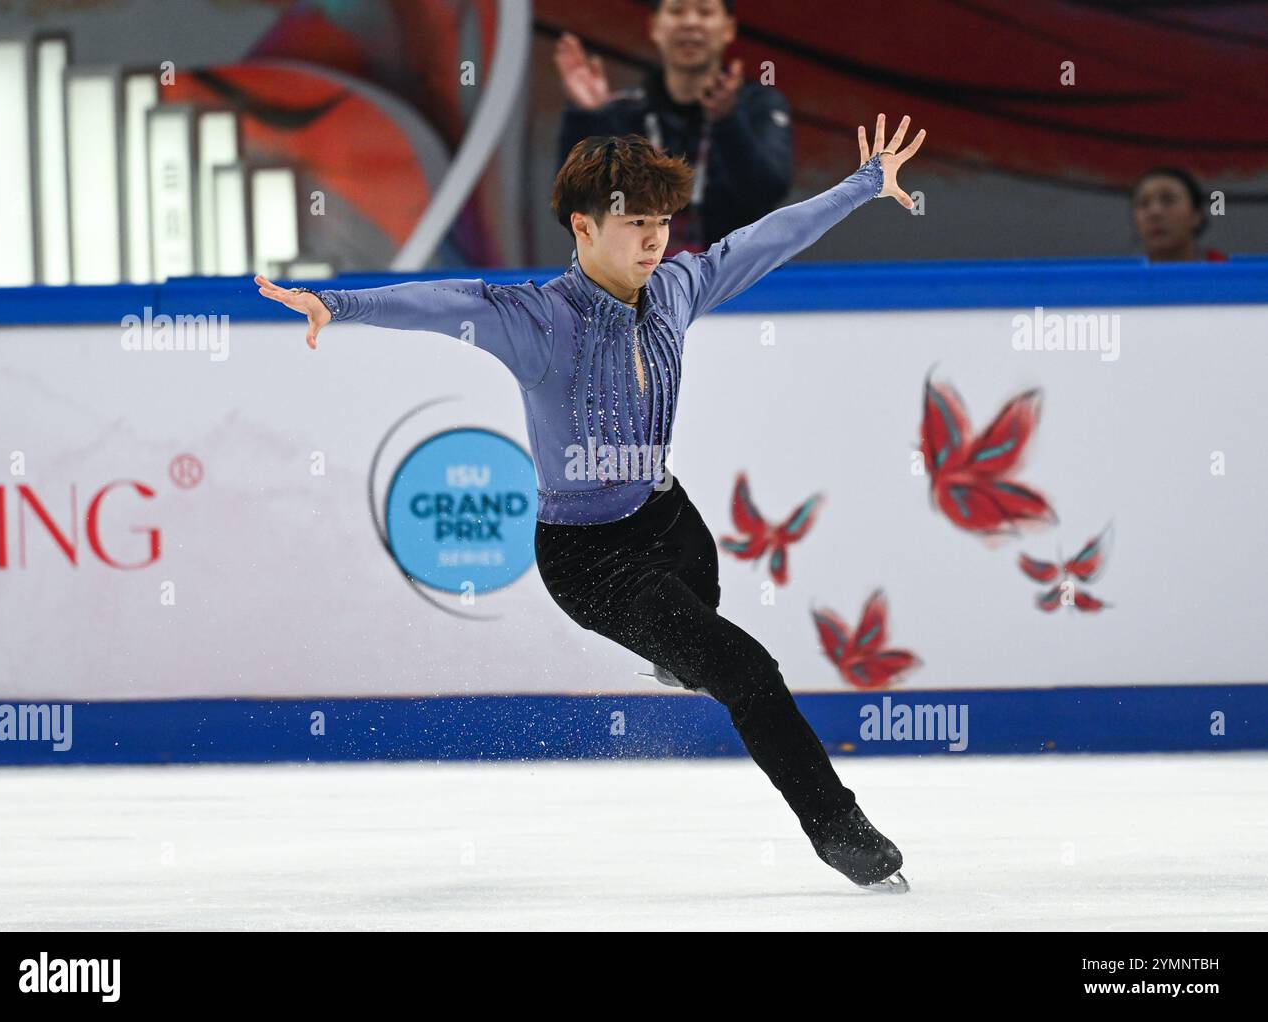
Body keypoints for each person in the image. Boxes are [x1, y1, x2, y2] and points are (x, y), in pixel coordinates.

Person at [254, 112, 926, 892]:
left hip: (670, 521)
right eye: (635, 223)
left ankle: (680, 656)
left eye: (664, 223)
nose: (655, 240)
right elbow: (445, 303)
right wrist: (341, 308)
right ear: (583, 225)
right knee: (746, 668)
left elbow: (763, 240)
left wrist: (864, 183)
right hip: (586, 556)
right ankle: (844, 836)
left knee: (699, 617)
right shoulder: (540, 323)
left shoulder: (676, 289)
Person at [554, 0, 791, 257]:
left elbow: (769, 190)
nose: (690, 23)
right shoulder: (622, 111)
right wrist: (589, 118)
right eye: (677, 11)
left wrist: (728, 122)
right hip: (639, 284)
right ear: (654, 26)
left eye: (705, 12)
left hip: (741, 282)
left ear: (728, 28)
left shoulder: (758, 105)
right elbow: (575, 207)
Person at [1131, 167, 1227, 263]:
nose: (1155, 212)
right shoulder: (1125, 274)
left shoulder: (1226, 270)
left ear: (1197, 214)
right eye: (1144, 203)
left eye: (1168, 200)